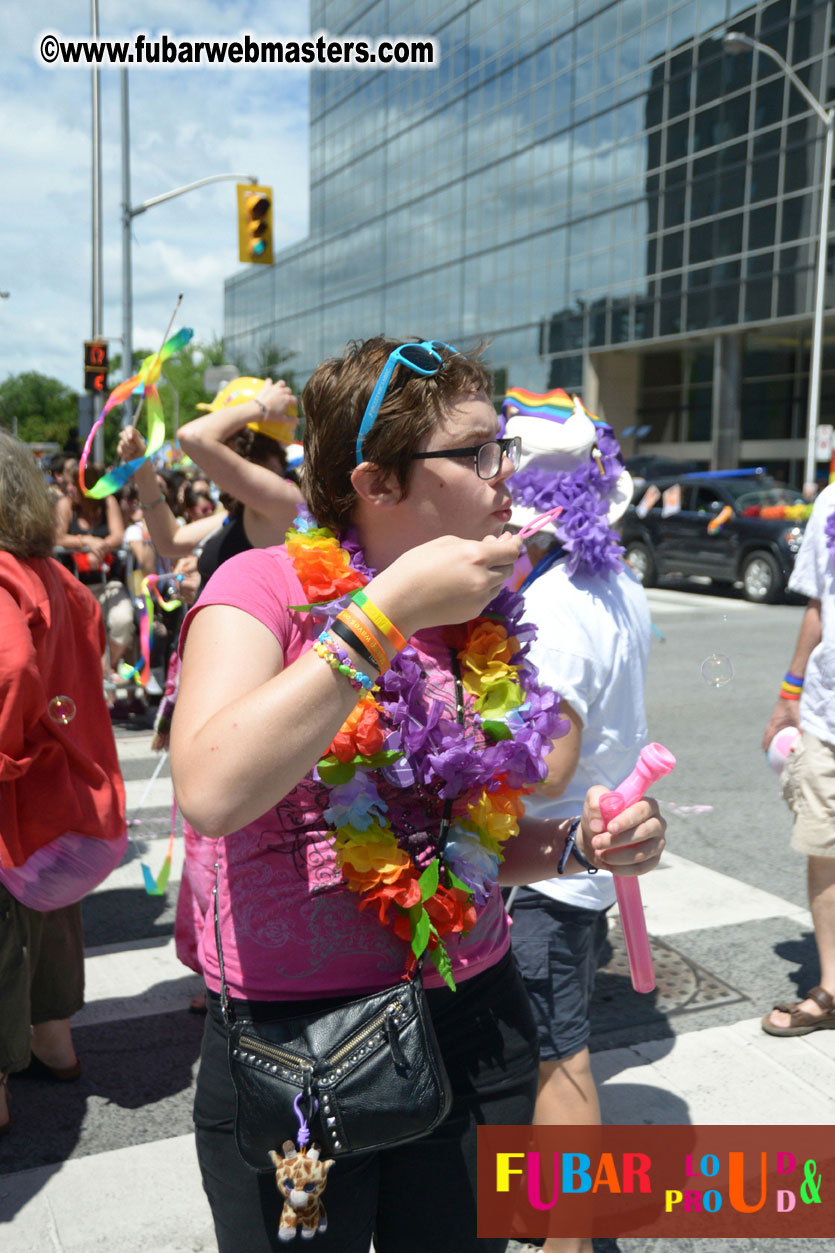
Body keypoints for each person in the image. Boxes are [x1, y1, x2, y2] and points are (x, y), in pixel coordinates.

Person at [168, 337, 666, 1253]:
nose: (505, 473)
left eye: (502, 447)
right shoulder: (263, 586)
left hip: (474, 1016)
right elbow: (208, 788)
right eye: (477, 453)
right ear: (378, 481)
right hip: (297, 1042)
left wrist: (578, 847)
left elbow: (467, 845)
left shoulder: (480, 619)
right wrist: (383, 613)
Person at [500, 389, 651, 1253]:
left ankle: (569, 1239)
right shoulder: (605, 580)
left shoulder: (553, 610)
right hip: (579, 859)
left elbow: (544, 766)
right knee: (553, 1046)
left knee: (561, 1059)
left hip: (549, 863)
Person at [0, 430, 125, 1134]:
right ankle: (55, 1040)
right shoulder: (52, 571)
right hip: (67, 790)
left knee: (3, 932)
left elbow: (10, 668)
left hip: (18, 792)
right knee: (50, 920)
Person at [761, 478, 835, 1035]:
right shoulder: (831, 500)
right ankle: (831, 989)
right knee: (823, 848)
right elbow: (817, 602)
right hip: (826, 715)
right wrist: (789, 692)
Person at [53, 461, 136, 677]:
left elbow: (118, 535)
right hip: (75, 585)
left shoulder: (107, 502)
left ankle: (104, 668)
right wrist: (88, 541)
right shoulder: (66, 505)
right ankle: (96, 675)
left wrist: (100, 548)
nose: (68, 488)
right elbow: (58, 536)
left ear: (85, 484)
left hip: (109, 582)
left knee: (123, 621)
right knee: (81, 634)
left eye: (72, 484)